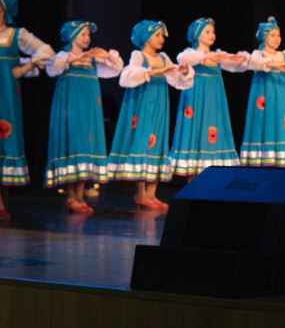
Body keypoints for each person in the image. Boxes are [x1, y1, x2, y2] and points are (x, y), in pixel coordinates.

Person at [106, 20, 193, 209]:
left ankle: (152, 194)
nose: (161, 39)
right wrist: (154, 71)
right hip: (143, 104)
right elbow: (128, 75)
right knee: (142, 142)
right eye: (157, 35)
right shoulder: (139, 55)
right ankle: (141, 193)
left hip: (160, 105)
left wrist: (184, 72)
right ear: (146, 37)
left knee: (158, 142)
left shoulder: (163, 57)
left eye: (162, 36)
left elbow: (177, 79)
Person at [0, 0, 53, 221]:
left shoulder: (17, 34)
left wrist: (25, 67)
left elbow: (46, 51)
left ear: (3, 7)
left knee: (4, 140)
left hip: (7, 95)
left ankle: (1, 204)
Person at [44, 20, 123, 213]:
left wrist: (106, 55)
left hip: (89, 109)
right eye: (83, 34)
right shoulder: (63, 56)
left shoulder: (92, 60)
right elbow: (52, 69)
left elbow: (116, 69)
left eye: (88, 35)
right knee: (73, 145)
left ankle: (79, 197)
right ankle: (71, 196)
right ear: (72, 36)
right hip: (71, 108)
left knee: (85, 147)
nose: (87, 38)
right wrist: (78, 57)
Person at [171, 18, 249, 177]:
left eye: (213, 31)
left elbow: (236, 66)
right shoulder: (191, 54)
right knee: (197, 128)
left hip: (214, 99)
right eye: (207, 31)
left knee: (214, 129)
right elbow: (182, 59)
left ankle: (212, 177)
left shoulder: (217, 55)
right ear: (197, 35)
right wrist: (205, 58)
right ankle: (193, 177)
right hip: (197, 97)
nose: (212, 35)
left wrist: (240, 59)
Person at [241, 16, 285, 167]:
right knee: (267, 119)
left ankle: (281, 156)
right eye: (272, 35)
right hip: (266, 94)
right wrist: (273, 65)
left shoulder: (284, 55)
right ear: (264, 37)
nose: (276, 39)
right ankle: (266, 156)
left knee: (282, 119)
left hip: (282, 95)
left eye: (278, 35)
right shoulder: (259, 54)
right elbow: (253, 63)